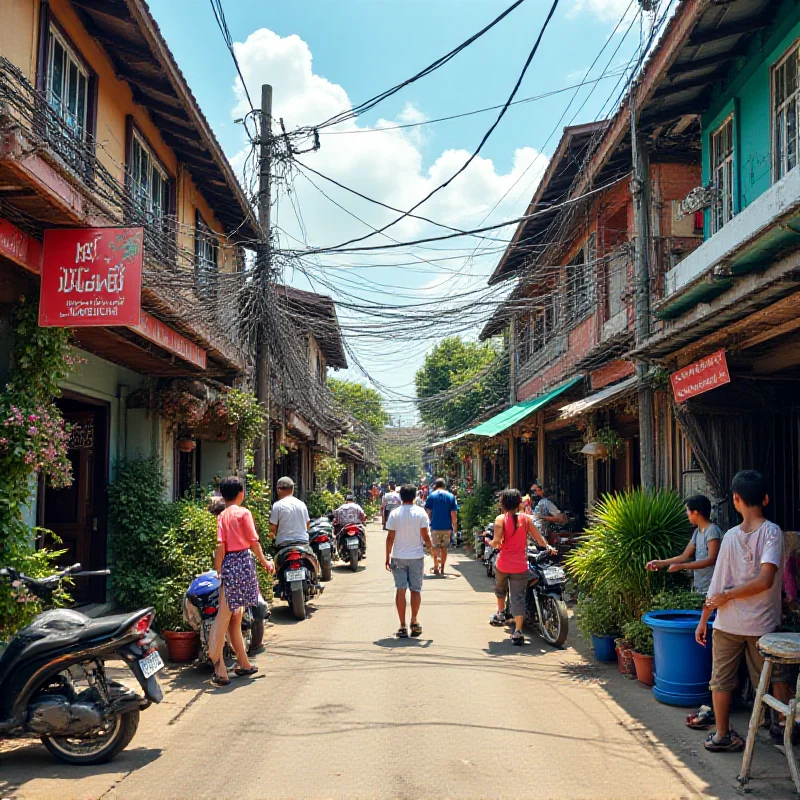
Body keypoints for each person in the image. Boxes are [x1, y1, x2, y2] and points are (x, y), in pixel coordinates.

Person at [695, 470, 791, 752]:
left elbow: (718, 586)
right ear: (765, 499)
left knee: (721, 680)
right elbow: (766, 579)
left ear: (735, 499)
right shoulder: (772, 532)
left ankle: (722, 735)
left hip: (726, 622)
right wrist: (717, 604)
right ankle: (781, 726)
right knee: (775, 677)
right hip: (761, 625)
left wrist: (706, 617)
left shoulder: (729, 537)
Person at [208, 476, 274, 687]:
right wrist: (265, 562)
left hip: (229, 564)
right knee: (228, 617)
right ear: (241, 494)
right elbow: (253, 542)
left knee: (231, 617)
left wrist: (219, 569)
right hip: (244, 563)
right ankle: (219, 668)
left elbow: (220, 545)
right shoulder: (243, 513)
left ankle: (242, 664)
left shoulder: (222, 517)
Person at [487, 489, 553, 646]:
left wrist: (490, 542)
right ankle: (517, 632)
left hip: (503, 563)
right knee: (518, 597)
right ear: (518, 503)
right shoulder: (526, 520)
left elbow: (496, 542)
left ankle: (501, 613)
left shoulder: (500, 519)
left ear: (502, 504)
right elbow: (540, 540)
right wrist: (548, 546)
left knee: (500, 589)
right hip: (521, 565)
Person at [646, 495, 722, 594]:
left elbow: (711, 560)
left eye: (688, 511)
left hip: (713, 588)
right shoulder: (697, 532)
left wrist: (682, 566)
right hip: (700, 587)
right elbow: (684, 556)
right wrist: (661, 563)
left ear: (696, 512)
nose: (687, 514)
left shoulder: (712, 531)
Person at [385, 484, 432, 638]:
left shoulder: (394, 514)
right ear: (415, 496)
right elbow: (425, 536)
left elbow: (390, 537)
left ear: (400, 497)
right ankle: (414, 620)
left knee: (400, 589)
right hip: (416, 557)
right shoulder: (421, 513)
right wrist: (432, 550)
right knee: (415, 590)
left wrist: (387, 556)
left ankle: (402, 626)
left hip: (398, 556)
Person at [425, 477, 458, 576]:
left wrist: (428, 524)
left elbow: (428, 512)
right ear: (445, 485)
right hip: (447, 527)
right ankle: (442, 568)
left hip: (435, 526)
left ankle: (436, 567)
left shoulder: (431, 496)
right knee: (444, 548)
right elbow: (453, 513)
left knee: (435, 547)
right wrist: (454, 525)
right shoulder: (451, 496)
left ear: (435, 485)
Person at [269, 476, 310, 546]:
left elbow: (272, 529)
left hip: (283, 544)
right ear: (292, 489)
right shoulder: (302, 504)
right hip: (303, 542)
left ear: (278, 490)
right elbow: (307, 525)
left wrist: (270, 539)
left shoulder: (277, 505)